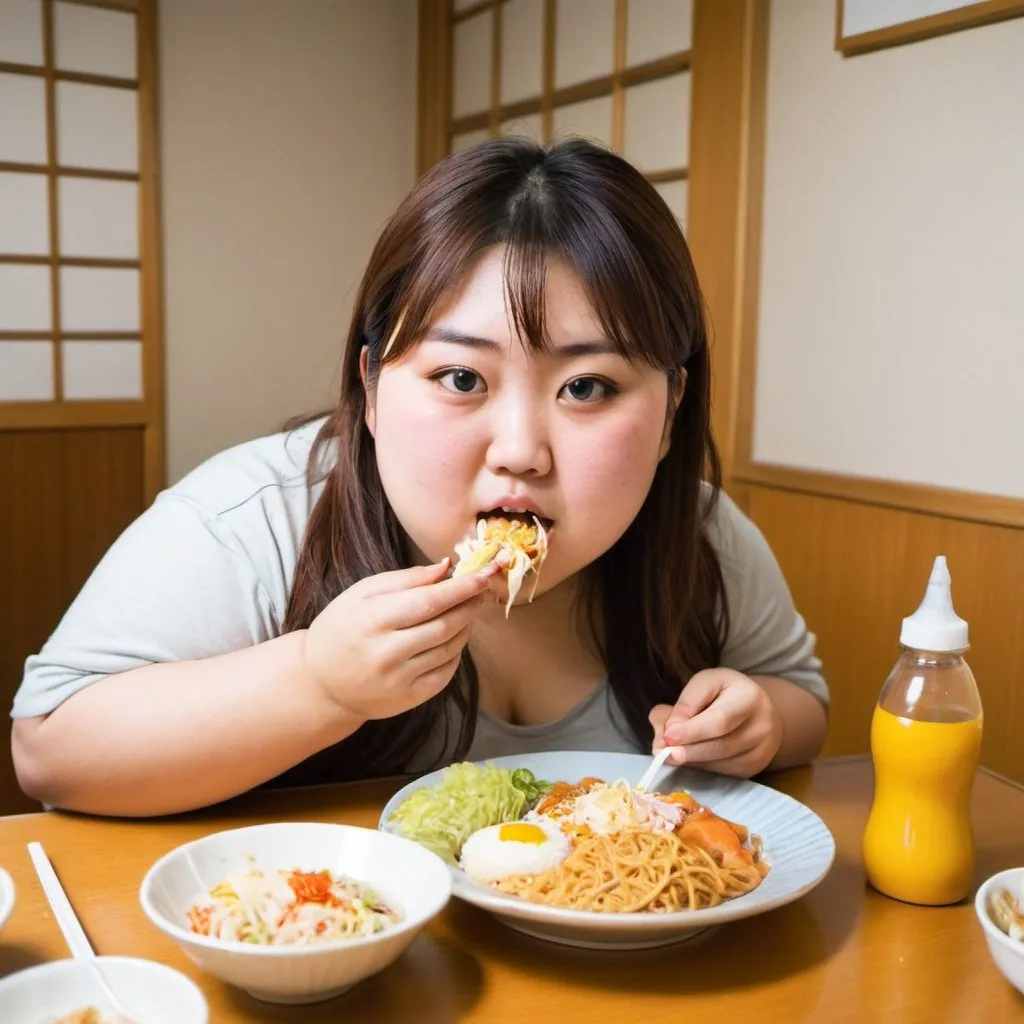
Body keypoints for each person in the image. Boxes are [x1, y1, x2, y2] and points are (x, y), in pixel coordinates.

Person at [10, 138, 828, 817]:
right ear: (370, 388)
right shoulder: (253, 520)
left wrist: (757, 726)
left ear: (672, 408)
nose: (520, 450)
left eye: (587, 387)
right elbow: (48, 750)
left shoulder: (700, 531)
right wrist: (318, 682)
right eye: (462, 379)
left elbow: (799, 701)